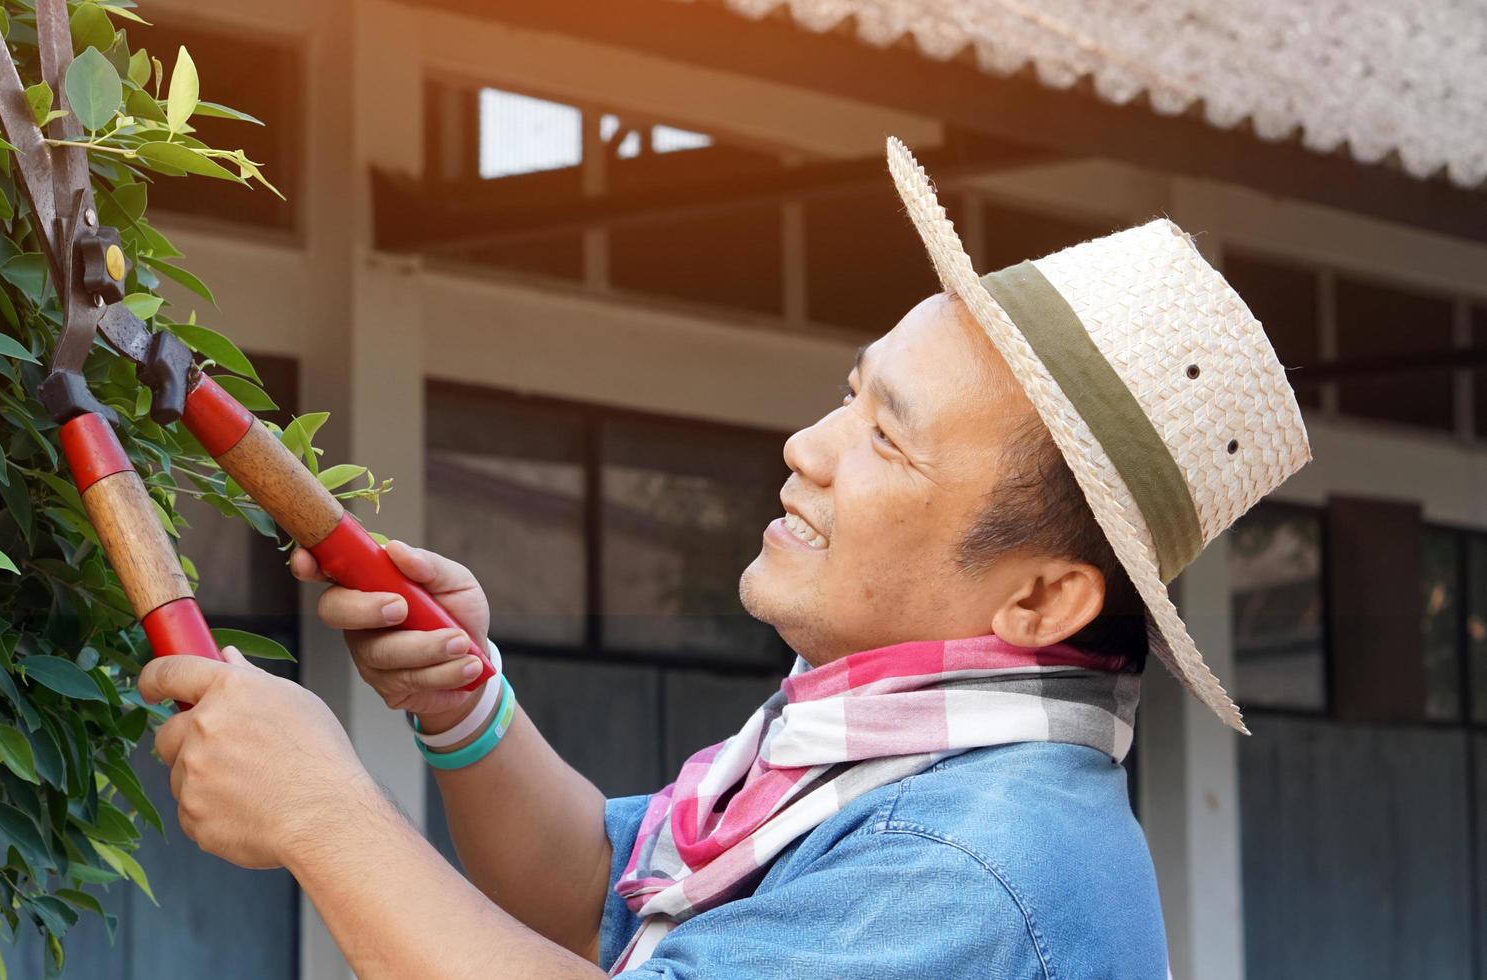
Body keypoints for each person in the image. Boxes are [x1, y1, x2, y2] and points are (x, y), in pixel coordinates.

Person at [137, 138, 1312, 978]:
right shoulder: (880, 760)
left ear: (1041, 596)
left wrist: (322, 815)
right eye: (848, 396)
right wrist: (463, 705)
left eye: (886, 441)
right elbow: (601, 890)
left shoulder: (962, 861)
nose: (807, 446)